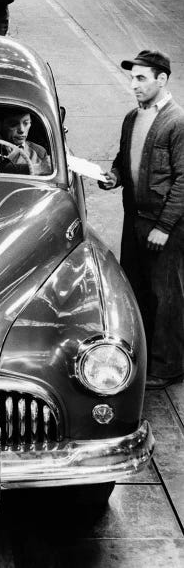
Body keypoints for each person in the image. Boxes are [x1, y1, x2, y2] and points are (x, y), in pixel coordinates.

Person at [99, 50, 184, 390]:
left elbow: (183, 180)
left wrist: (164, 227)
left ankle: (169, 365)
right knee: (136, 289)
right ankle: (146, 354)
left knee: (167, 295)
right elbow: (124, 159)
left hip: (164, 224)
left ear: (161, 80)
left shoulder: (176, 122)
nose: (133, 85)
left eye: (141, 78)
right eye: (132, 77)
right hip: (133, 218)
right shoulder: (132, 118)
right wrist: (114, 177)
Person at [0, 110, 51, 175]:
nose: (21, 130)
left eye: (26, 123)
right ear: (0, 125)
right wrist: (38, 168)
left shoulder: (39, 151)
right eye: (13, 124)